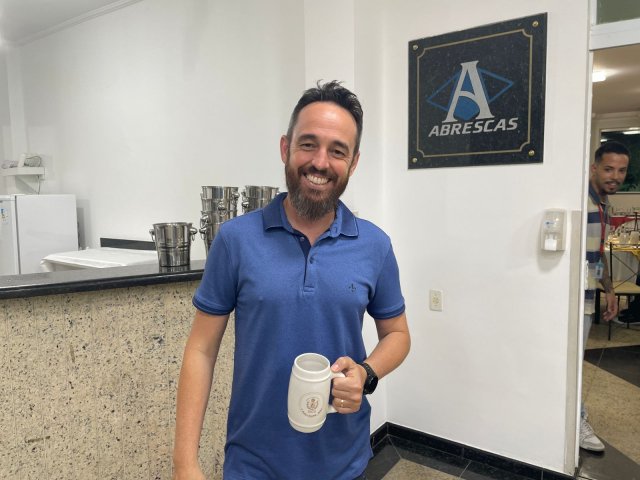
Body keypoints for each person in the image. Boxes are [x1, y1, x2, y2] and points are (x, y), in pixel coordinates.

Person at [173, 81, 411, 480]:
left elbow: (398, 334)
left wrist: (367, 373)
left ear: (353, 163)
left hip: (344, 462)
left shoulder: (375, 245)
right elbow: (201, 349)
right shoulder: (235, 240)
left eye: (337, 151)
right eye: (308, 144)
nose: (320, 162)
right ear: (286, 148)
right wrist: (185, 464)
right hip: (253, 464)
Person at [582, 140, 630, 452]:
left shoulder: (603, 204)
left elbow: (596, 255)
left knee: (575, 362)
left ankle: (572, 417)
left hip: (589, 297)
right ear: (594, 168)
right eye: (609, 169)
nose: (615, 176)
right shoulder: (580, 200)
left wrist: (609, 291)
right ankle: (574, 422)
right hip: (571, 300)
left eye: (621, 170)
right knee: (571, 363)